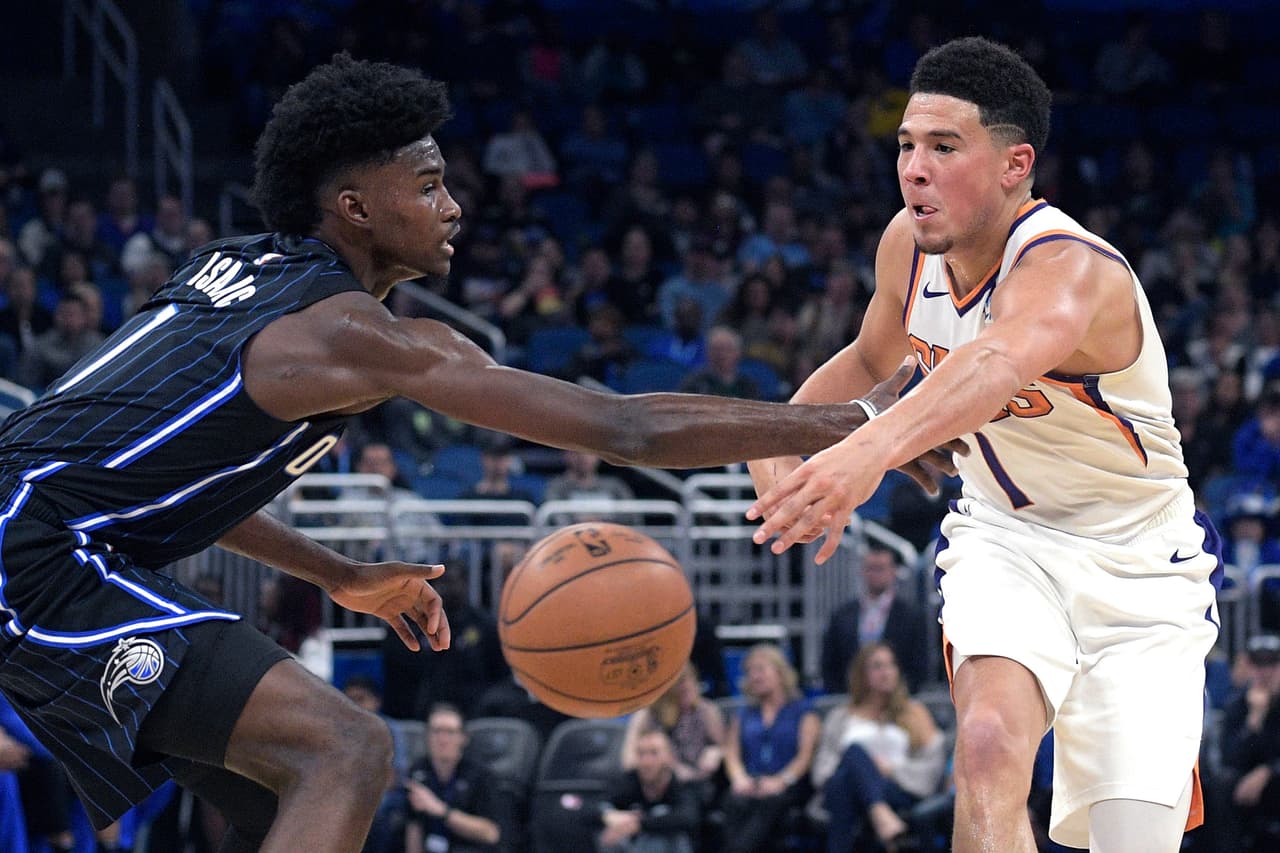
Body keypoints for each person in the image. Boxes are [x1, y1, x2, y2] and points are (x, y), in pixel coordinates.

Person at [0, 54, 960, 853]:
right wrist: (844, 423)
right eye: (426, 185)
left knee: (274, 797)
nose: (454, 205)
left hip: (56, 530)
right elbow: (623, 429)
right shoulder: (350, 338)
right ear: (354, 208)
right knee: (344, 749)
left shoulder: (252, 272)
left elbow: (162, 479)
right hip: (32, 551)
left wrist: (337, 570)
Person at [747, 37, 1220, 853]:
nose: (913, 168)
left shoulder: (1072, 269)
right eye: (905, 146)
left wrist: (867, 451)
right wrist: (777, 444)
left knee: (1132, 839)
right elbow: (869, 356)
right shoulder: (906, 243)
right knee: (989, 742)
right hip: (1008, 536)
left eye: (943, 146)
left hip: (1140, 561)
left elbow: (996, 361)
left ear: (1014, 163)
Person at [811, 643, 947, 853]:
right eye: (877, 666)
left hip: (898, 786)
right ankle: (881, 814)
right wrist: (864, 768)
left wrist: (891, 769)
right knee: (848, 768)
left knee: (847, 772)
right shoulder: (841, 716)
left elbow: (931, 763)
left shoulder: (914, 713)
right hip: (846, 785)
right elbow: (823, 766)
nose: (886, 672)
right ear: (861, 674)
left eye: (891, 665)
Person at [719, 644, 820, 853]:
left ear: (780, 673)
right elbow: (732, 753)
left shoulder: (804, 712)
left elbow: (805, 757)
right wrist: (739, 778)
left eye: (761, 669)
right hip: (752, 781)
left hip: (790, 785)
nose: (755, 676)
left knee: (771, 802)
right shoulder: (744, 714)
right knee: (733, 801)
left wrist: (781, 781)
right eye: (750, 672)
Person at [820, 544, 929, 693]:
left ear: (893, 571)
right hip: (850, 699)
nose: (875, 574)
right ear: (862, 571)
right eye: (870, 568)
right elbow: (830, 664)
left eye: (881, 568)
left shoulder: (912, 615)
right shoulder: (842, 614)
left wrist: (900, 698)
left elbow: (919, 664)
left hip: (899, 700)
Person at [404, 703, 503, 853]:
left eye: (450, 732)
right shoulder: (418, 770)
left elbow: (491, 834)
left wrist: (441, 811)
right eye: (436, 731)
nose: (442, 739)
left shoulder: (481, 775)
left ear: (463, 738)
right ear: (427, 736)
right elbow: (413, 825)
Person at [620, 663, 725, 789]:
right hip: (662, 784)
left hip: (700, 781)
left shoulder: (707, 710)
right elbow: (629, 761)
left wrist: (716, 752)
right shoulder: (648, 714)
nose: (687, 687)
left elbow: (726, 748)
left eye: (690, 682)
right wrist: (664, 766)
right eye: (680, 684)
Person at [598, 730, 703, 853]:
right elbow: (591, 805)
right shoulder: (629, 780)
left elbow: (688, 818)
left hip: (673, 847)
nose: (646, 762)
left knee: (660, 818)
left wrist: (639, 824)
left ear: (669, 757)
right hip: (633, 847)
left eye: (654, 753)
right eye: (641, 754)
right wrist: (607, 815)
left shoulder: (681, 784)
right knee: (611, 831)